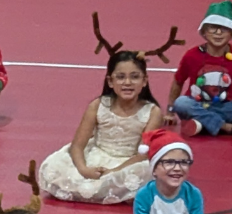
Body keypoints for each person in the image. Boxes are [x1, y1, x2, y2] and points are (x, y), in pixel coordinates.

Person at [38, 47, 163, 204]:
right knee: (53, 166)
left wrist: (113, 172)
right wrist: (84, 169)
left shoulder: (152, 112)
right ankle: (109, 190)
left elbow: (142, 154)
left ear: (144, 81)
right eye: (120, 77)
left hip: (129, 163)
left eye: (135, 77)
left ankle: (108, 188)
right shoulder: (97, 105)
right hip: (95, 159)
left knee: (147, 172)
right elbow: (77, 146)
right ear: (110, 81)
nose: (127, 83)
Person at [164, 0, 232, 137]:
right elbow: (178, 82)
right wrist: (170, 112)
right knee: (182, 103)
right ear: (204, 32)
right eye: (213, 28)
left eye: (223, 28)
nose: (218, 33)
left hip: (226, 107)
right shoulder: (191, 55)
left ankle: (201, 124)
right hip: (197, 105)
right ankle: (225, 127)